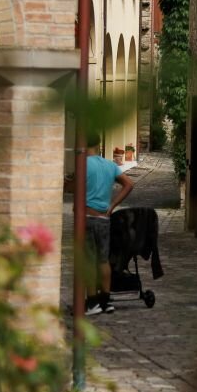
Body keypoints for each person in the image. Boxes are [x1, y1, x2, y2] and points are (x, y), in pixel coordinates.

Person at [82, 133, 134, 316]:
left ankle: (92, 302)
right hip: (104, 218)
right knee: (103, 260)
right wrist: (112, 205)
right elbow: (128, 183)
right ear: (98, 145)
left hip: (87, 217)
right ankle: (106, 300)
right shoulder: (110, 165)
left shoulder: (83, 165)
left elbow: (72, 188)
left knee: (88, 260)